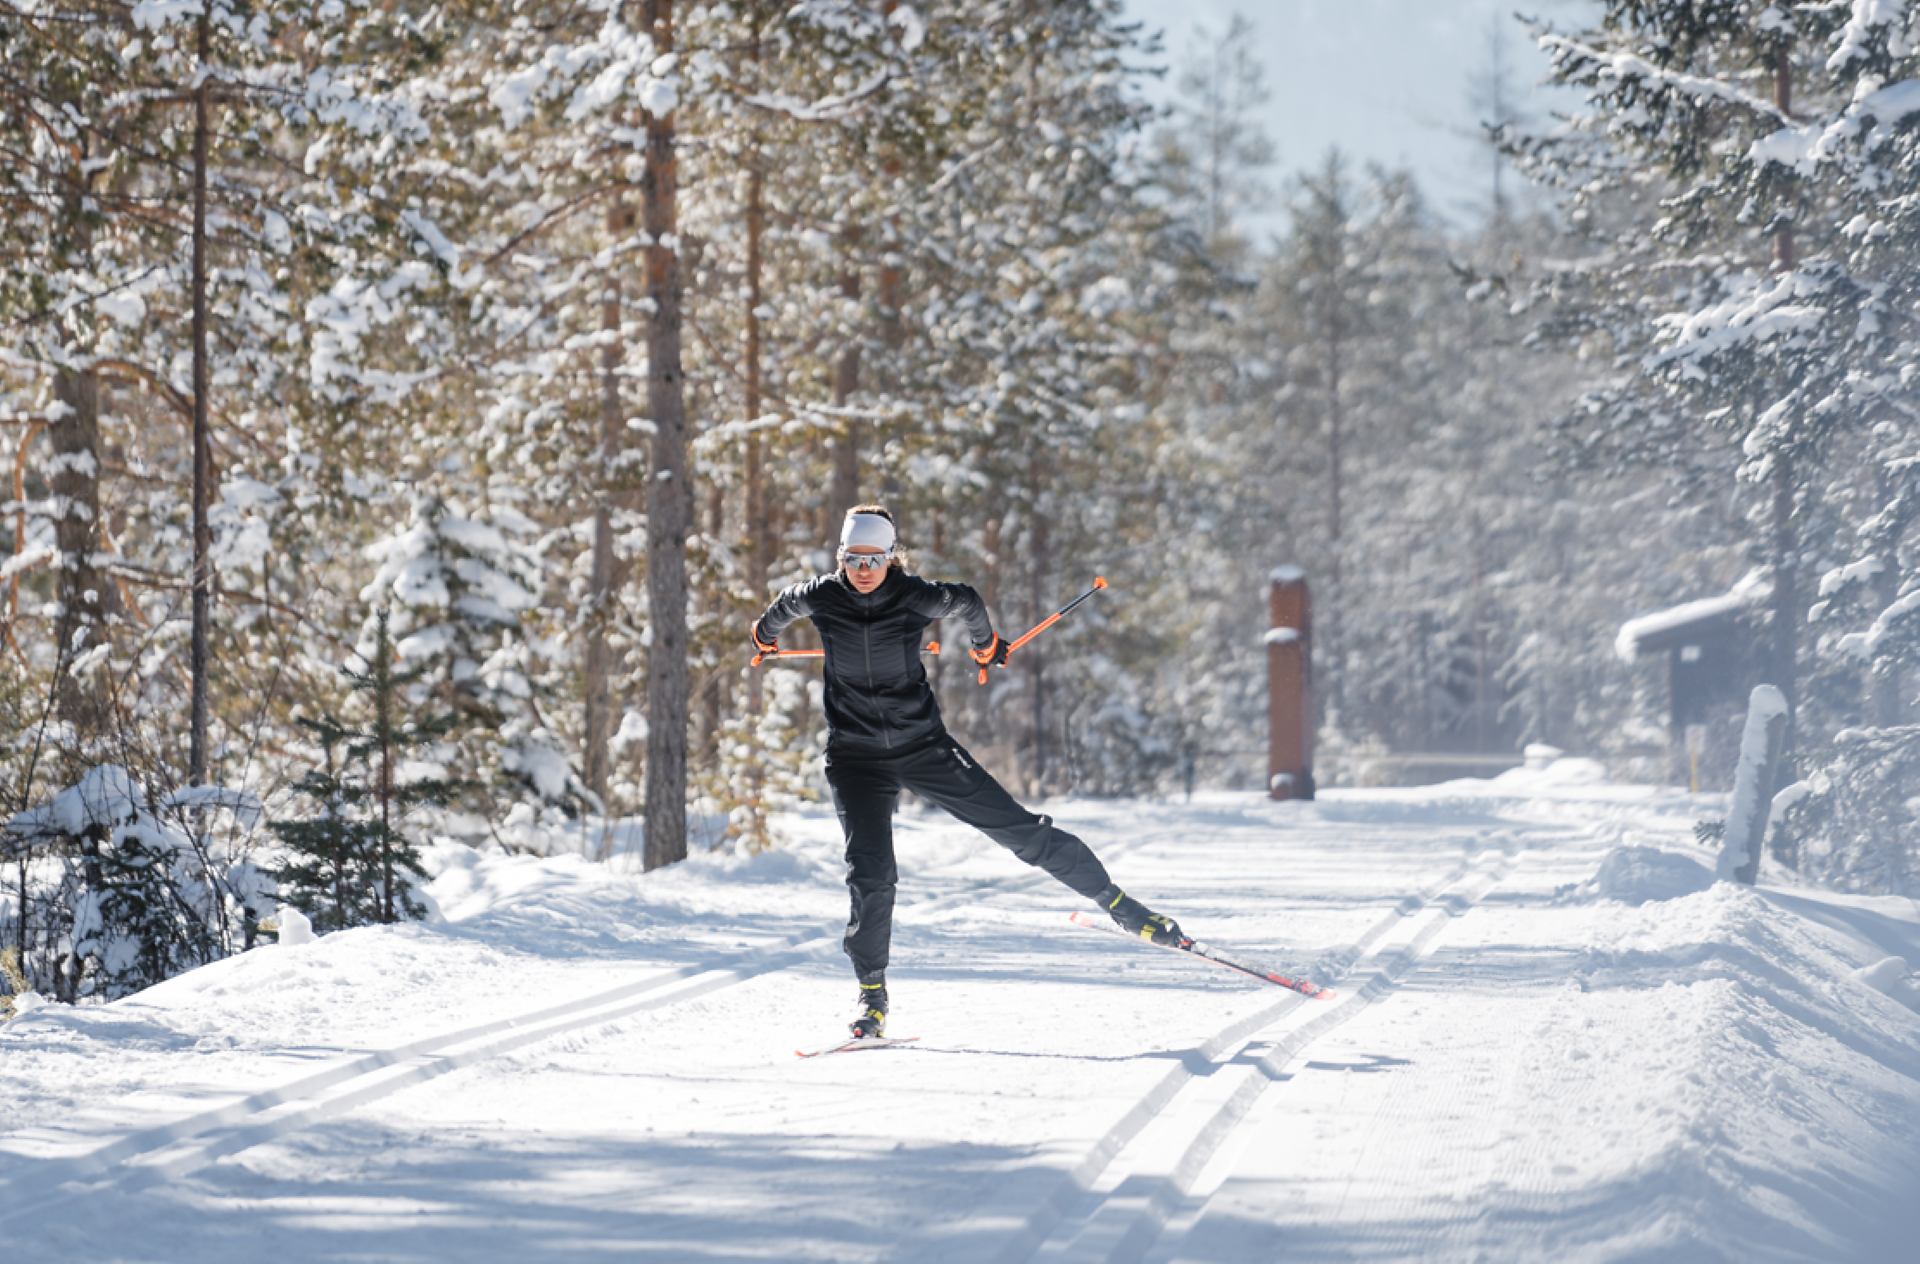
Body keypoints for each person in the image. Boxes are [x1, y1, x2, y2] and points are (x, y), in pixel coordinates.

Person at [752, 504, 1184, 1039]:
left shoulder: (914, 595)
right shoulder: (822, 595)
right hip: (856, 758)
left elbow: (968, 601)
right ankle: (871, 994)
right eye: (853, 558)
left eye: (874, 558)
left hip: (923, 747)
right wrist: (762, 637)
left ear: (890, 558)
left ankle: (1120, 905)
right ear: (841, 557)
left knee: (1017, 829)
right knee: (871, 874)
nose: (863, 569)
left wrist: (986, 646)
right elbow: (778, 610)